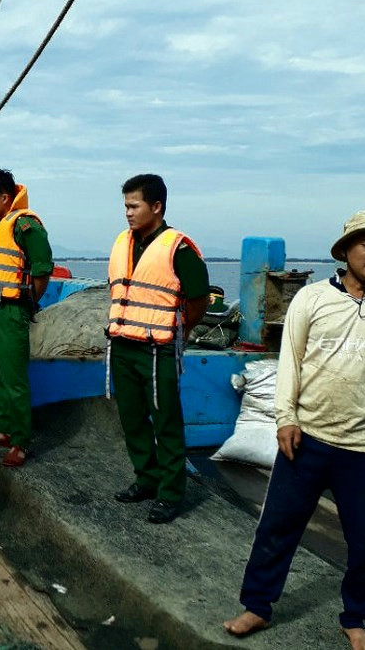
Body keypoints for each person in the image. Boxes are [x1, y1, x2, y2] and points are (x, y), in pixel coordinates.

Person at [223, 210, 365, 650]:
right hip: (308, 438)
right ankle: (258, 607)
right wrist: (285, 417)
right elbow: (291, 362)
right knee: (277, 529)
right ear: (345, 251)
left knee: (363, 541)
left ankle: (356, 618)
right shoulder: (312, 299)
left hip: (363, 447)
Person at [108, 174, 210, 524]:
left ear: (156, 206)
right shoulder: (123, 242)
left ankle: (170, 493)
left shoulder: (178, 248)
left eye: (134, 206)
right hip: (122, 345)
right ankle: (146, 479)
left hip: (157, 351)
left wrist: (184, 327)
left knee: (166, 422)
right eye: (125, 206)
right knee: (132, 419)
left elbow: (199, 298)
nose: (128, 213)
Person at [0, 169, 53, 468]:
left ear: (5, 198)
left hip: (10, 309)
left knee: (15, 379)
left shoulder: (25, 225)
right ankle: (4, 429)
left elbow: (42, 269)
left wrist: (28, 304)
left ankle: (21, 442)